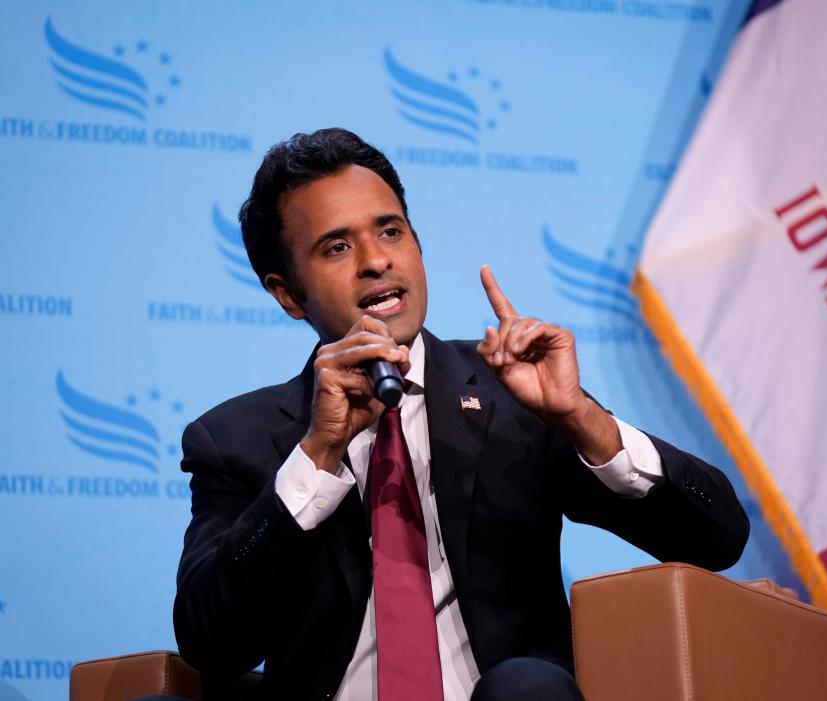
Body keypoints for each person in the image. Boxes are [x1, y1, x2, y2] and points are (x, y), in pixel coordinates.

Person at [172, 128, 749, 700]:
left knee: (528, 686)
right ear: (287, 293)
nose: (376, 261)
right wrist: (317, 456)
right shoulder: (235, 440)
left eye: (390, 231)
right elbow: (211, 643)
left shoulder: (511, 395)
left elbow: (718, 537)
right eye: (337, 247)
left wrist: (580, 419)